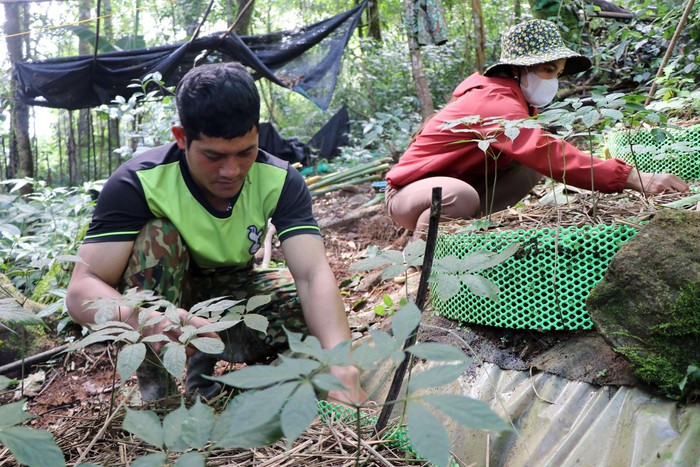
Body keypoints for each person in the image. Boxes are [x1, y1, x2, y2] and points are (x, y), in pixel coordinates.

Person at [66, 62, 365, 404]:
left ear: (257, 134)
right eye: (213, 156)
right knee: (156, 236)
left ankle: (222, 384)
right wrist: (146, 318)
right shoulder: (138, 183)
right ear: (181, 138)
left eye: (246, 152)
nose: (231, 171)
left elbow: (312, 275)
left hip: (233, 295)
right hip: (161, 304)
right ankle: (161, 400)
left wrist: (342, 365)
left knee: (306, 307)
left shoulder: (280, 180)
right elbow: (80, 291)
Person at [385, 19, 689, 239]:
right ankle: (421, 256)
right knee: (460, 195)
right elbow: (547, 152)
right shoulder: (492, 101)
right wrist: (632, 177)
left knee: (527, 168)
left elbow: (540, 154)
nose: (553, 80)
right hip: (409, 195)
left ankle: (467, 236)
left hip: (454, 187)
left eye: (557, 73)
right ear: (518, 69)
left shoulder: (514, 101)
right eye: (547, 70)